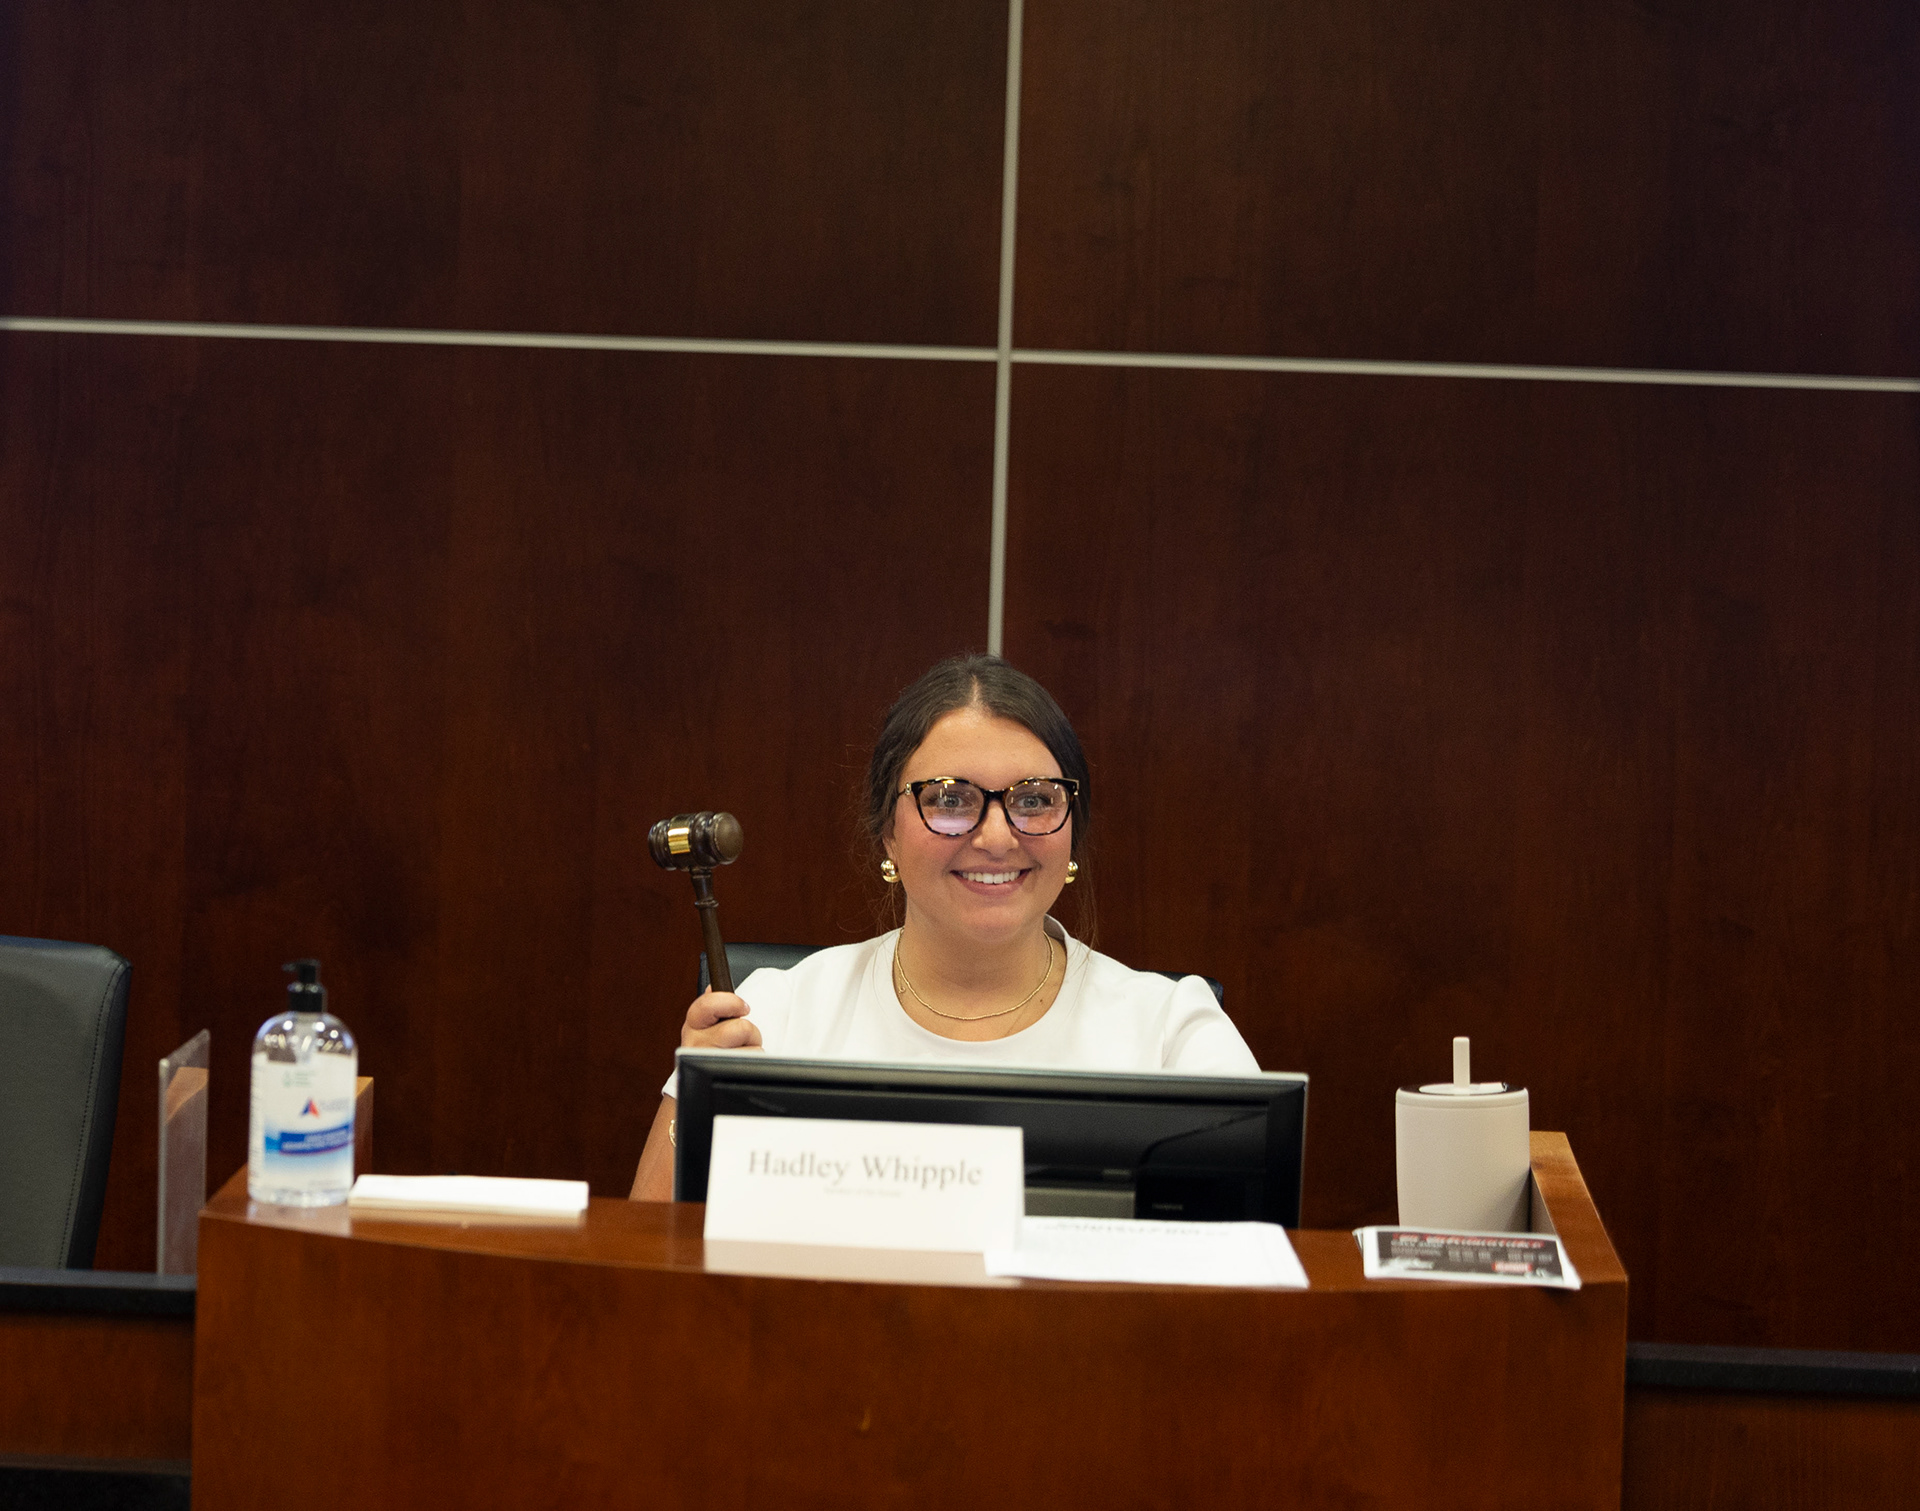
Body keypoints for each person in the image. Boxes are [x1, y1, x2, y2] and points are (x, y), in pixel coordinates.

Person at [628, 654, 1259, 1200]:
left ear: (1072, 833)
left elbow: (1250, 1296)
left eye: (1035, 798)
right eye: (949, 799)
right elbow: (648, 1266)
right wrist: (703, 1098)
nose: (995, 835)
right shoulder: (772, 1016)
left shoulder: (1175, 1032)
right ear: (888, 834)